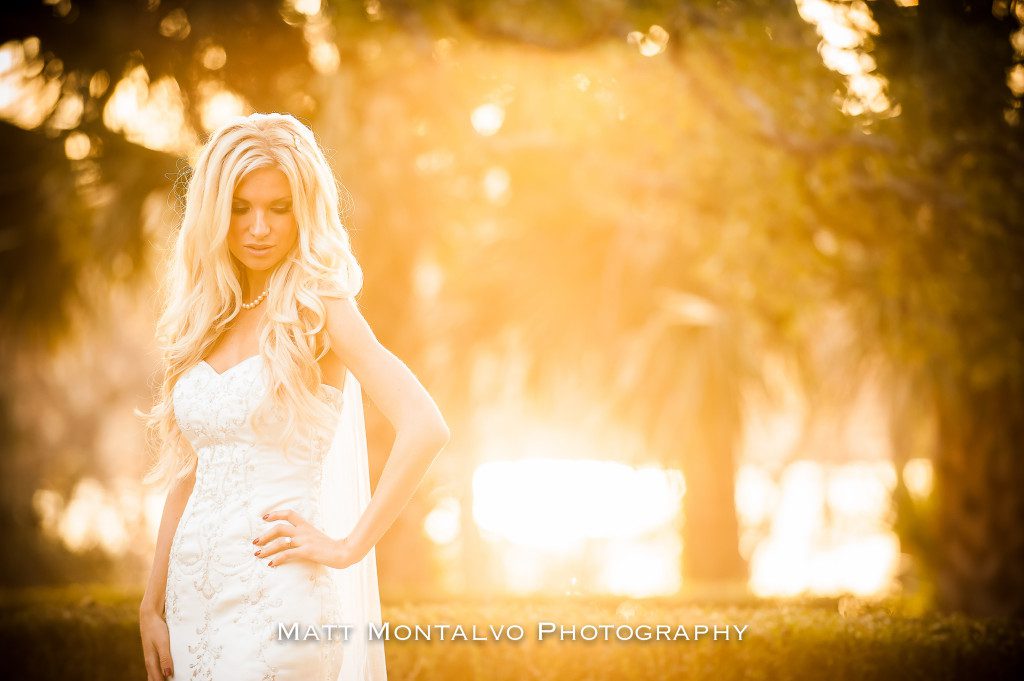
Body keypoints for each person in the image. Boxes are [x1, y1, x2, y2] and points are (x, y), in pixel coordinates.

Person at [137, 112, 450, 681]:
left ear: (304, 212)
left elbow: (425, 426)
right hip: (192, 605)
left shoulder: (319, 309)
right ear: (214, 212)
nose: (259, 227)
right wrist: (150, 606)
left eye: (279, 208)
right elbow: (190, 473)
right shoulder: (204, 321)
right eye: (240, 208)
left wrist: (346, 547)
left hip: (277, 602)